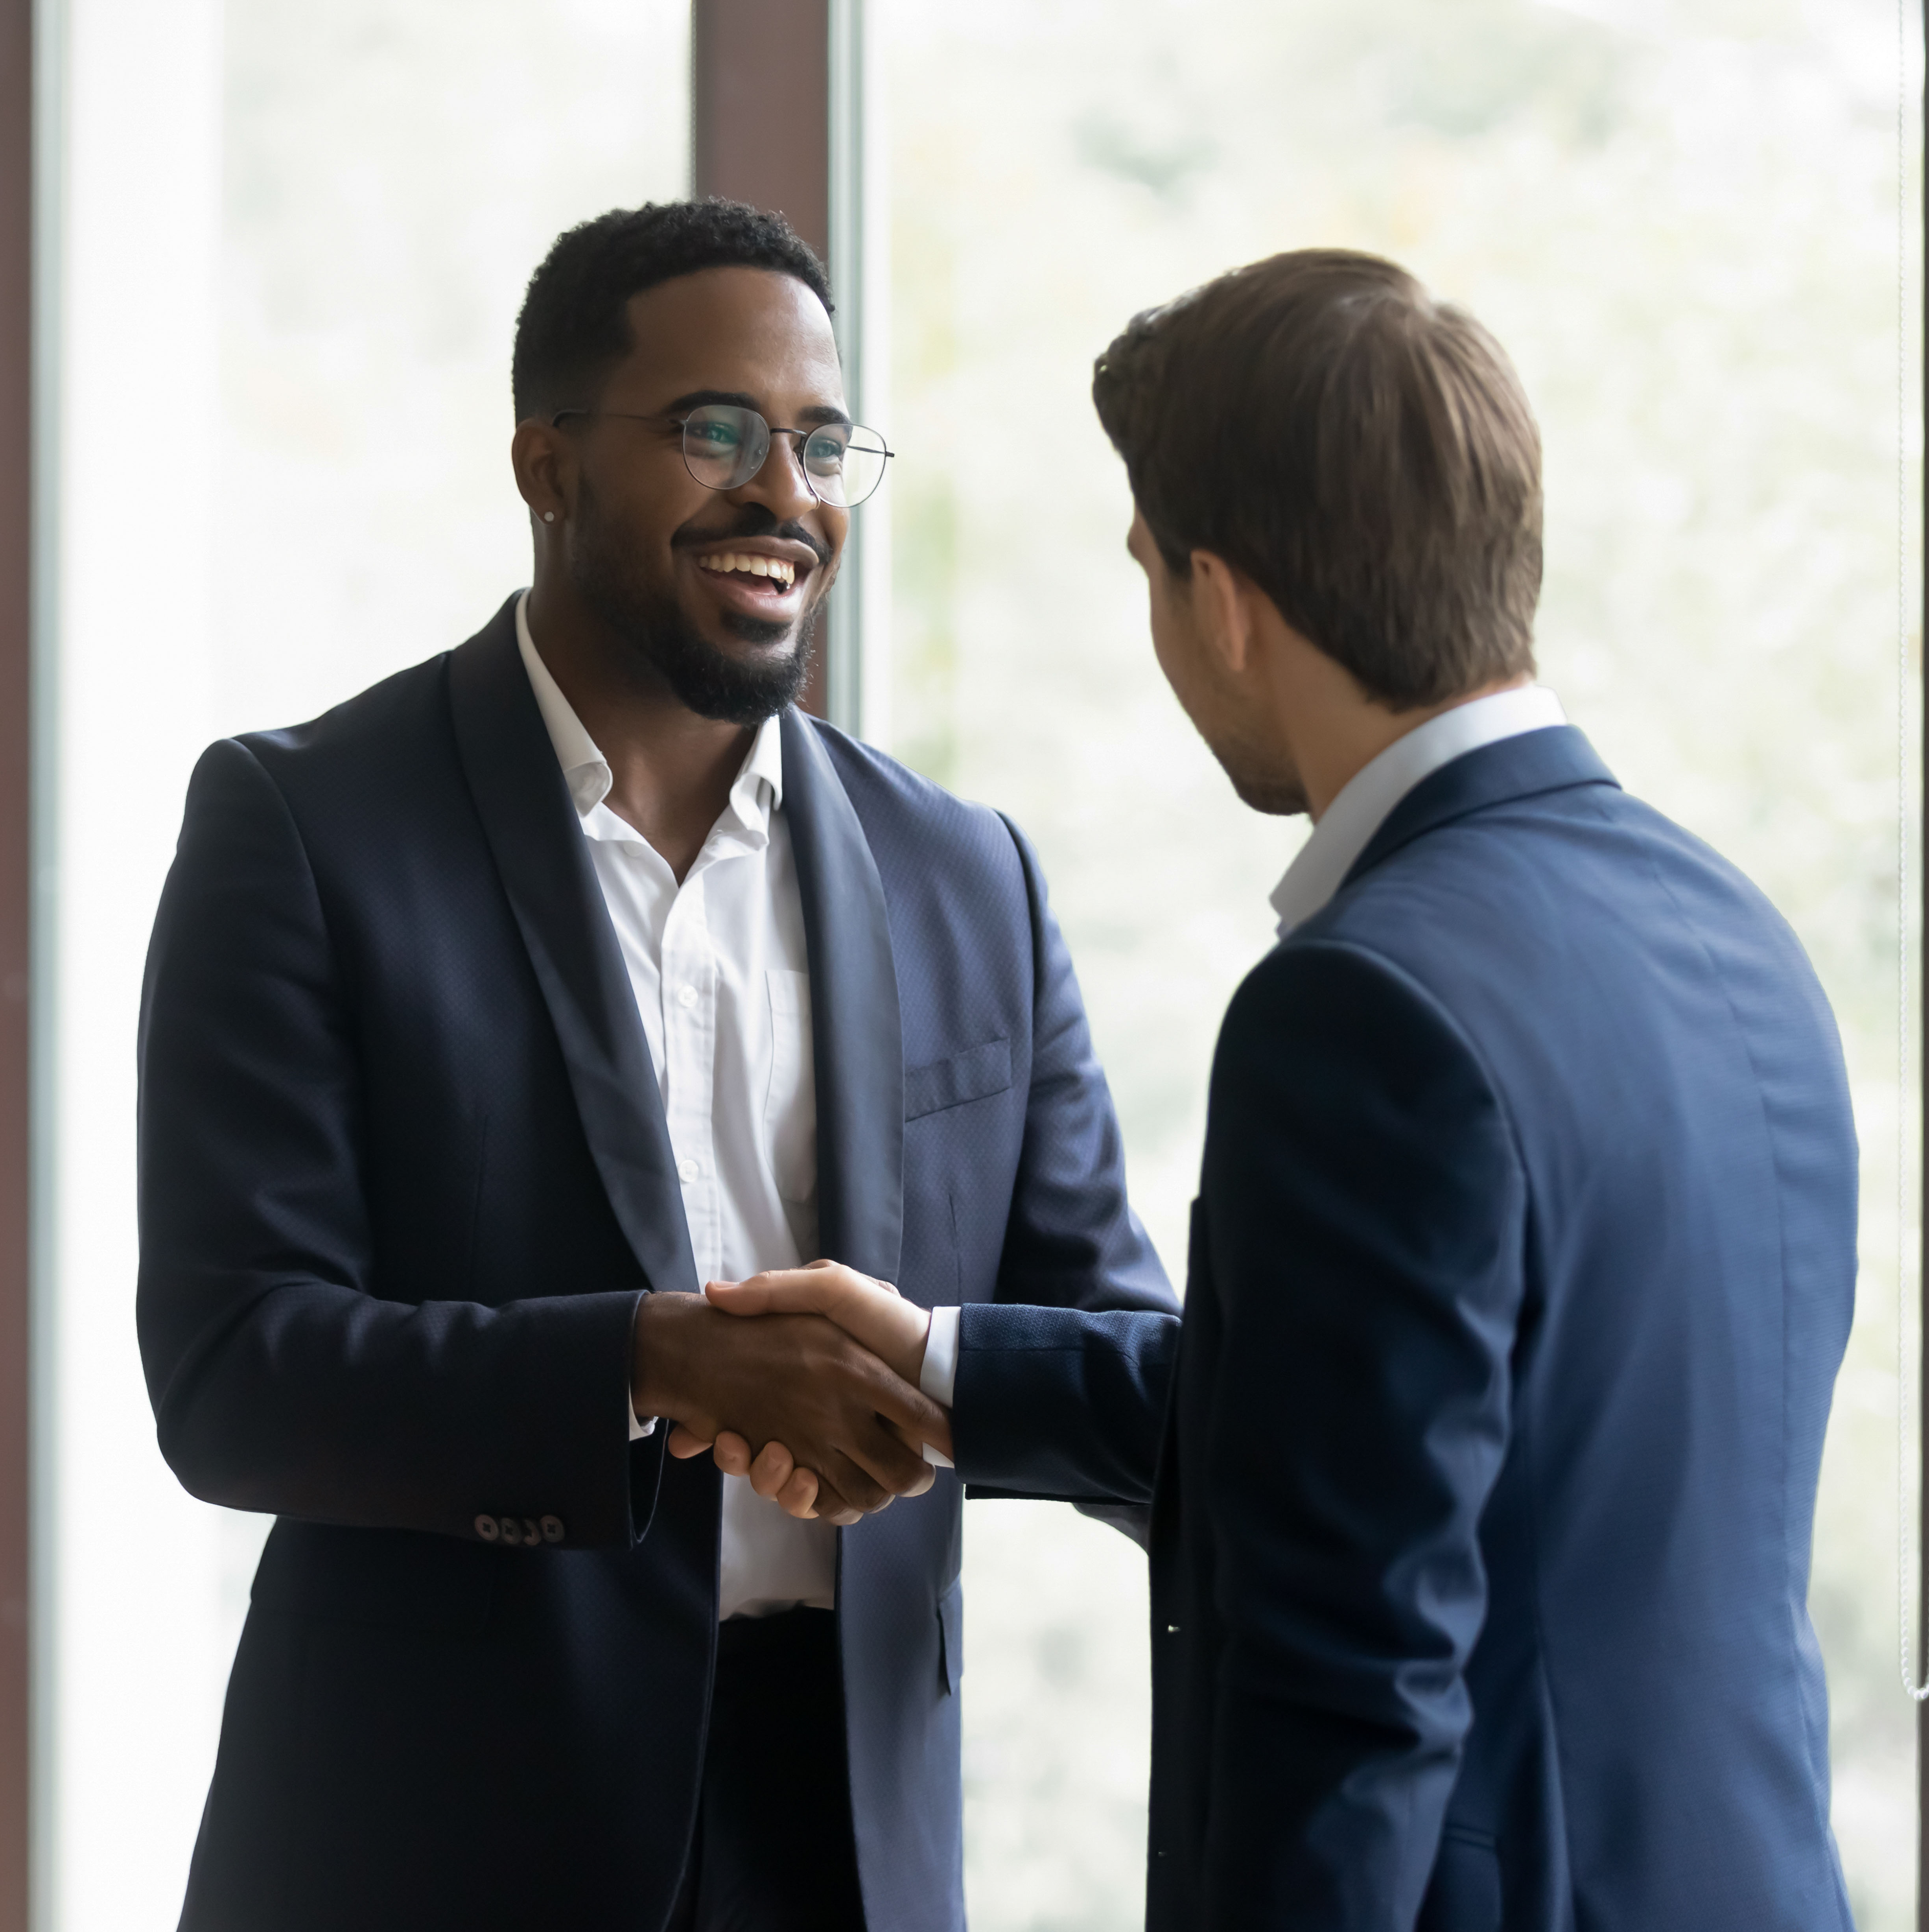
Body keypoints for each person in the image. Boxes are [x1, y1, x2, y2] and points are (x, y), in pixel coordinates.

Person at [734, 249, 1858, 1930]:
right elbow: (1423, 1427)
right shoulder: (1737, 933)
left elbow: (1352, 1687)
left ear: (1226, 597)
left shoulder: (1360, 1005)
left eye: (1147, 576)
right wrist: (951, 1368)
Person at [135, 198, 1177, 1932]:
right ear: (548, 463)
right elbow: (236, 1370)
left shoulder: (967, 876)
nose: (787, 492)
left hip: (847, 1839)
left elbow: (1123, 1358)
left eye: (824, 442)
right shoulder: (303, 828)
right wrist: (650, 1362)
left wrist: (940, 1369)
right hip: (432, 1841)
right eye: (718, 431)